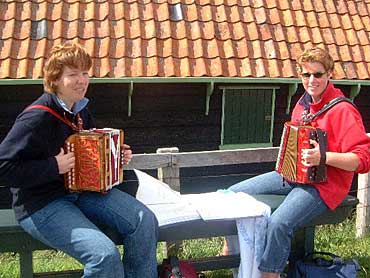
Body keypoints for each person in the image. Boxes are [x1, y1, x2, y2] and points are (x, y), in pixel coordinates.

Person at [0, 42, 159, 278]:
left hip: (82, 192)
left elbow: (91, 148)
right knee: (104, 256)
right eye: (73, 74)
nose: (82, 80)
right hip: (42, 204)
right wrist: (53, 166)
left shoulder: (80, 110)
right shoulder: (36, 118)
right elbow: (4, 167)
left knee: (144, 222)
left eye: (85, 73)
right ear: (55, 80)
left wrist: (115, 155)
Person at [224, 47, 370, 278]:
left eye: (318, 74)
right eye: (306, 74)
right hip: (293, 175)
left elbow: (362, 160)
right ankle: (234, 256)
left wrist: (323, 157)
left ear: (330, 74)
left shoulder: (343, 110)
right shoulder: (302, 104)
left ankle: (269, 274)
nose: (312, 80)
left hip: (325, 185)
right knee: (232, 194)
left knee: (279, 223)